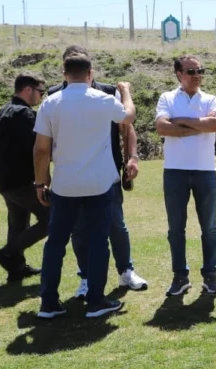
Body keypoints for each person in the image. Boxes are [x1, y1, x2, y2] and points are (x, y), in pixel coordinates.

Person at [32, 54, 136, 319]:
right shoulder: (103, 100)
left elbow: (41, 150)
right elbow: (128, 117)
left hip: (65, 185)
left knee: (55, 243)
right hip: (99, 183)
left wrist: (40, 182)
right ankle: (96, 300)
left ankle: (48, 302)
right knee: (99, 242)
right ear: (90, 73)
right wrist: (125, 91)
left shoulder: (50, 103)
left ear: (64, 74)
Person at [47, 46, 147, 297]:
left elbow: (127, 127)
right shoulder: (53, 97)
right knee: (79, 231)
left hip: (107, 173)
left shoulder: (106, 92)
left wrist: (131, 158)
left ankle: (126, 271)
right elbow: (44, 143)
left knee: (116, 225)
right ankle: (86, 277)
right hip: (71, 177)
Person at [155, 55, 216, 296]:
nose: (197, 75)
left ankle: (210, 275)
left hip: (206, 170)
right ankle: (180, 276)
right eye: (191, 71)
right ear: (178, 74)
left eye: (199, 71)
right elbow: (162, 128)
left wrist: (183, 122)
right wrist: (199, 126)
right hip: (175, 171)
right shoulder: (167, 98)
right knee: (176, 228)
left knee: (210, 229)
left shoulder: (210, 99)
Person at [0, 73, 48, 282]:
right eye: (40, 92)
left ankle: (16, 268)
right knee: (50, 218)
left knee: (18, 224)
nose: (41, 96)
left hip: (4, 181)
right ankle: (8, 252)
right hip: (22, 181)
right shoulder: (25, 114)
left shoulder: (1, 112)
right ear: (28, 90)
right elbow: (35, 148)